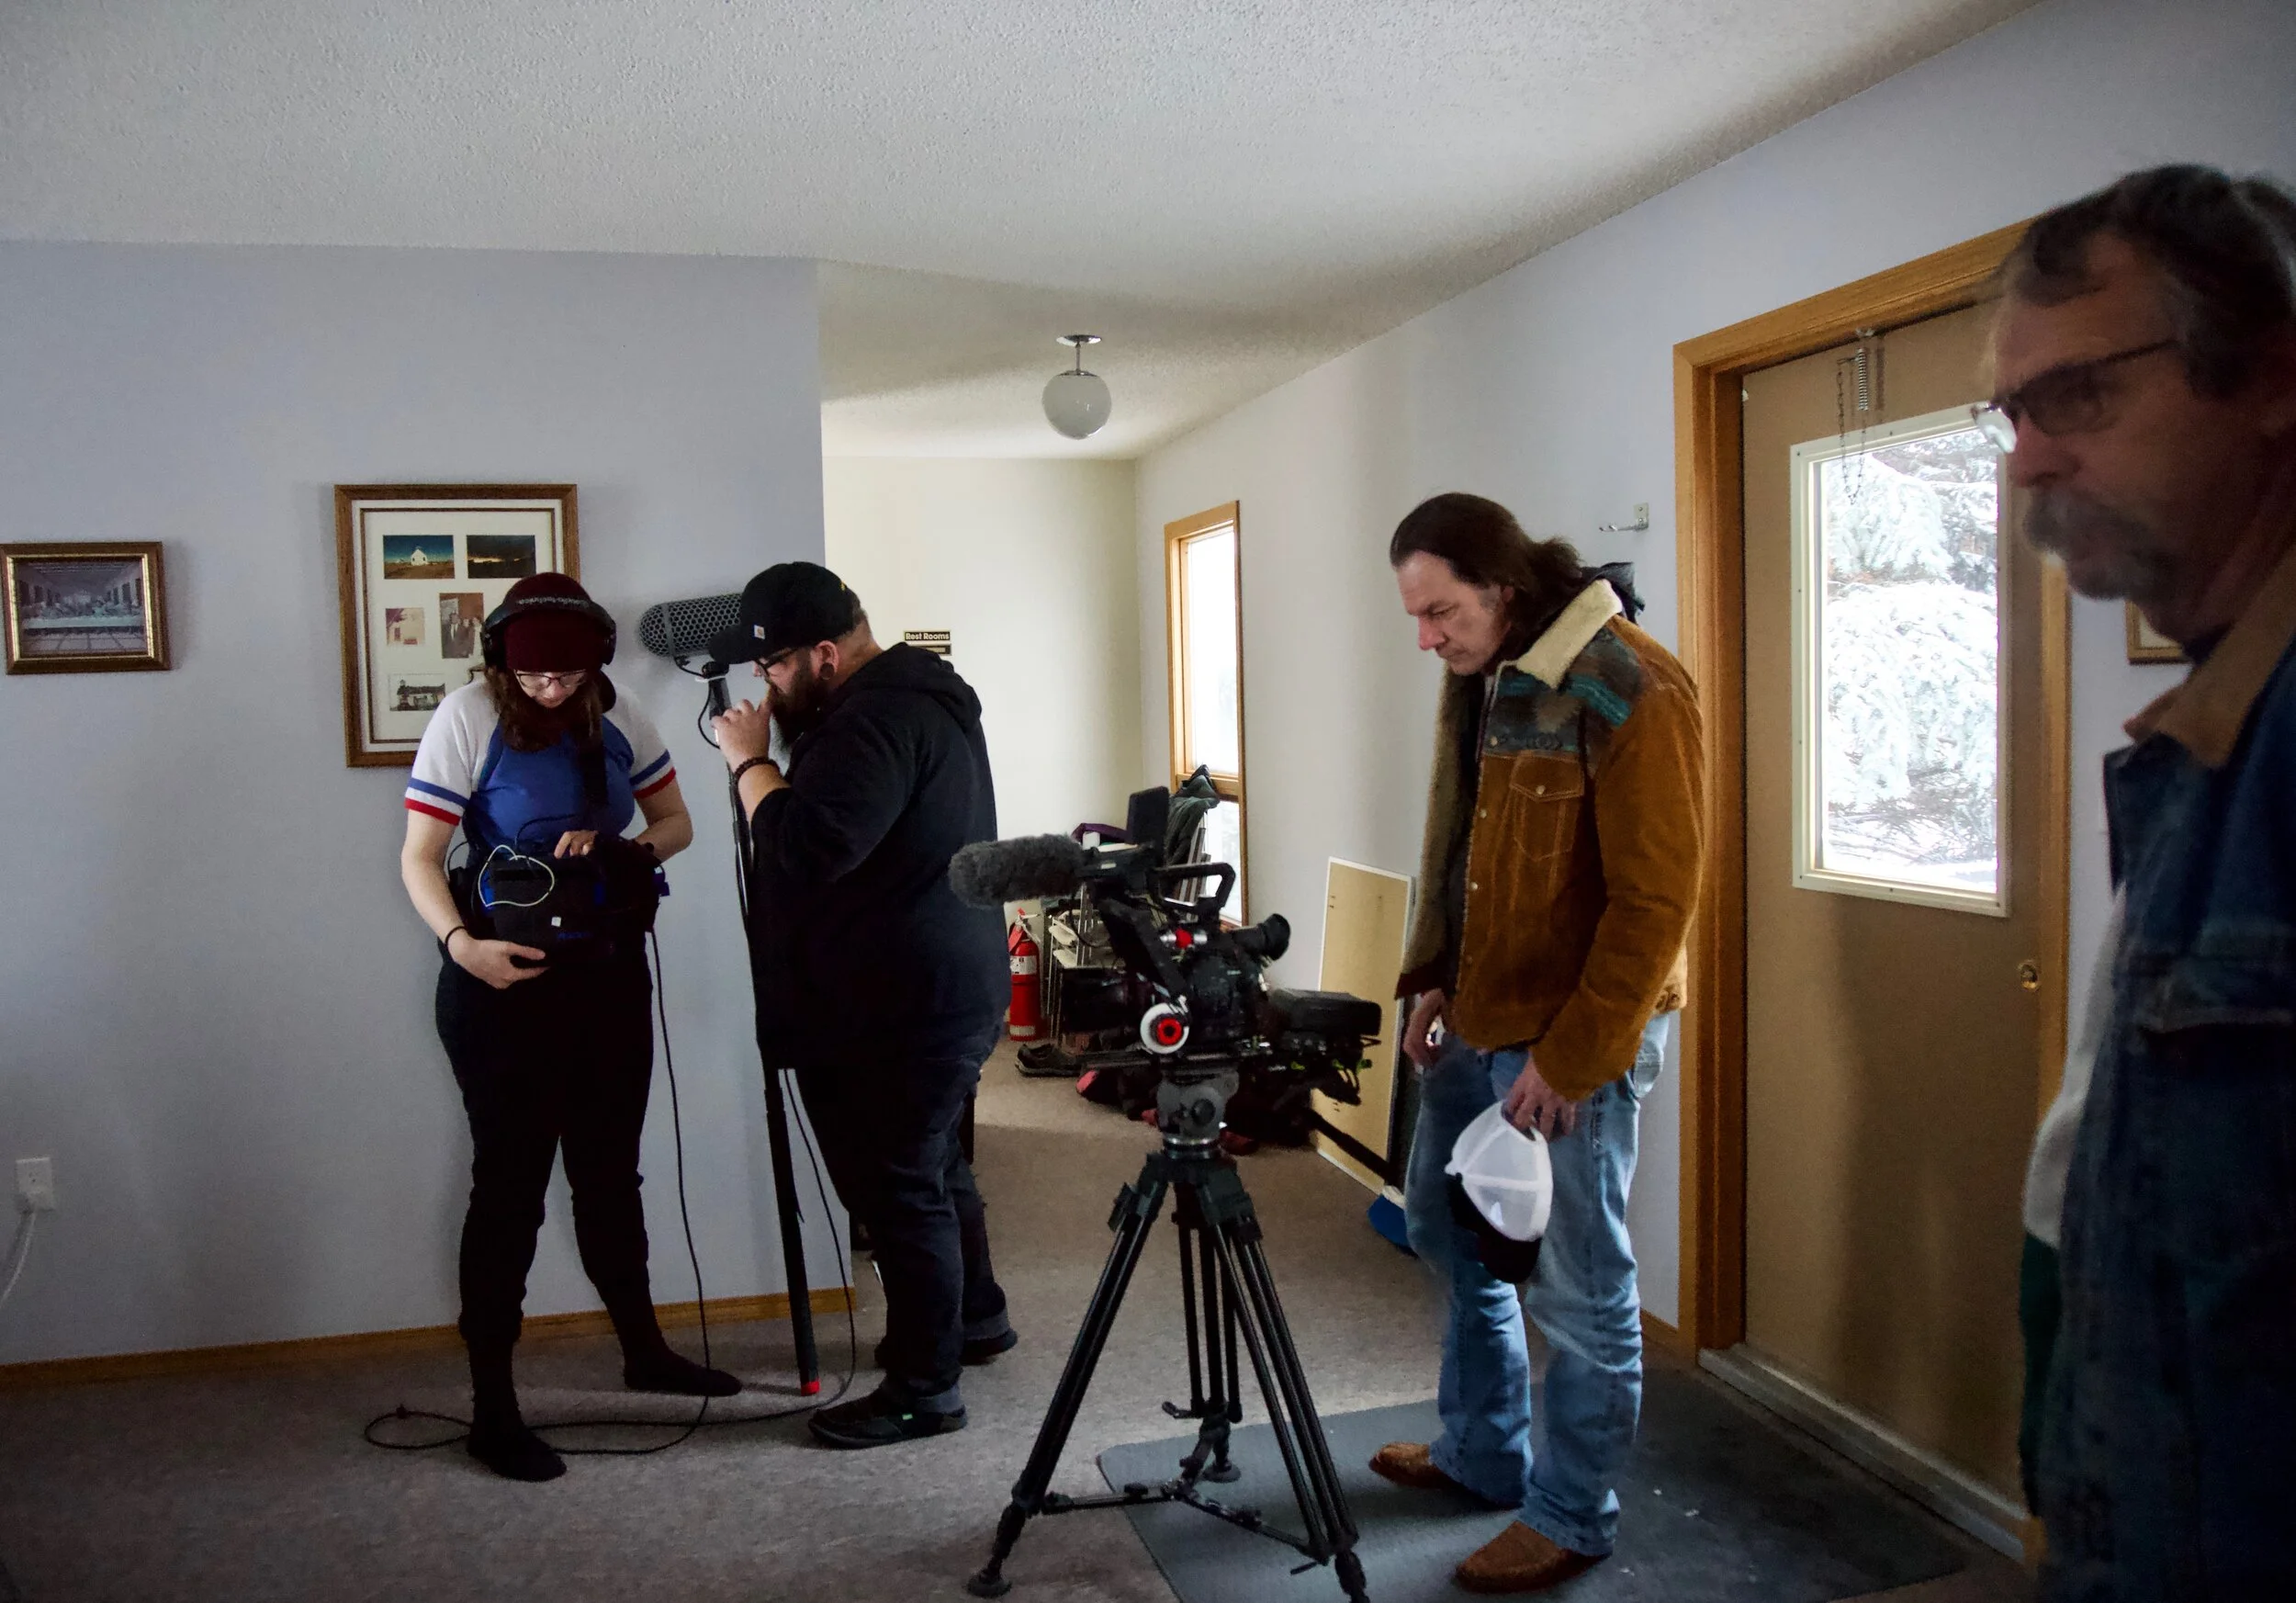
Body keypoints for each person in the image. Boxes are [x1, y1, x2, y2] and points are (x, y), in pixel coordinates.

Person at [1982, 164, 2296, 1598]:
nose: (2027, 463)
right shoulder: (2208, 743)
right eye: (2013, 415)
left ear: (2272, 375)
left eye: (2079, 396)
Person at [1373, 494, 1704, 1594]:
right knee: (1444, 1230)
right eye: (1417, 616)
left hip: (1571, 1040)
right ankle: (1482, 1448)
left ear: (1504, 588)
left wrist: (1571, 1057)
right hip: (1478, 1012)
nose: (1427, 637)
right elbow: (1466, 847)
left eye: (1441, 612)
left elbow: (1656, 904)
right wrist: (1433, 974)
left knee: (1578, 1287)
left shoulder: (1631, 685)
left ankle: (1570, 1512)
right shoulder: (1487, 673)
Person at [400, 572, 738, 1484]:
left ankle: (644, 1349)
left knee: (610, 1174)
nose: (551, 688)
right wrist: (461, 945)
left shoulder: (619, 710)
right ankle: (492, 1406)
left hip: (607, 976)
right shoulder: (467, 716)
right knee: (509, 1188)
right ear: (502, 662)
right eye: (534, 676)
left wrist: (627, 848)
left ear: (596, 661)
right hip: (500, 985)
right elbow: (419, 856)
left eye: (568, 674)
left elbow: (676, 821)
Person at [708, 561, 1015, 1450]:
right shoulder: (921, 698)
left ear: (825, 655)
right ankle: (975, 1320)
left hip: (898, 1005)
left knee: (898, 1189)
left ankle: (924, 1389)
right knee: (934, 1169)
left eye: (775, 666)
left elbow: (811, 846)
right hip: (937, 988)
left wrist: (750, 763)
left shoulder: (871, 720)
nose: (766, 684)